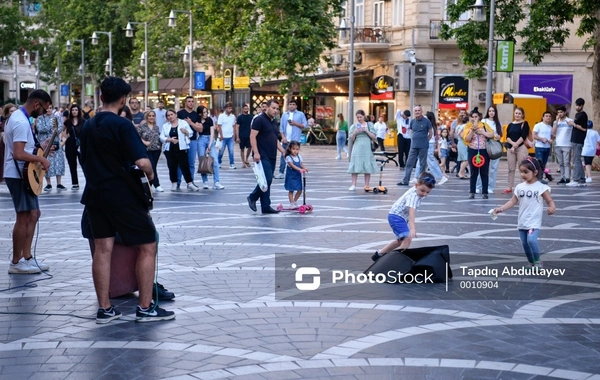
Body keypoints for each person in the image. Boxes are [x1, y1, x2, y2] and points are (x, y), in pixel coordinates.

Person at [80, 76, 174, 323]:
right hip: (122, 196)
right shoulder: (123, 126)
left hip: (95, 195)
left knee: (102, 250)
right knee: (147, 245)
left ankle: (105, 308)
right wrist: (151, 174)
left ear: (101, 97)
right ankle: (145, 307)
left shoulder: (87, 126)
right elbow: (142, 162)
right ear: (123, 100)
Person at [4, 89, 52, 274]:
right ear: (37, 104)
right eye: (44, 108)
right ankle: (16, 262)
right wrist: (42, 160)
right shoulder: (20, 121)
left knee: (33, 214)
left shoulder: (19, 118)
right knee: (23, 216)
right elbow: (18, 153)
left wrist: (40, 152)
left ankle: (27, 257)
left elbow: (24, 149)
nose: (44, 113)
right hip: (18, 174)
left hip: (22, 173)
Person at [493, 158, 556, 268]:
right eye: (521, 171)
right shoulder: (519, 187)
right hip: (522, 221)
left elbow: (549, 200)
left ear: (535, 172)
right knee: (524, 243)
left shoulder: (541, 187)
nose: (523, 174)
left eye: (526, 172)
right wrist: (501, 208)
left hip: (533, 221)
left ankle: (538, 261)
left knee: (531, 240)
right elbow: (513, 201)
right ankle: (531, 262)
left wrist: (552, 207)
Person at [372, 171, 436, 262]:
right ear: (416, 185)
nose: (424, 194)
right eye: (422, 190)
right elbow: (411, 213)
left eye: (428, 192)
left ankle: (379, 254)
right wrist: (412, 228)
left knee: (401, 240)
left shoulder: (418, 190)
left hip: (398, 216)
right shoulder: (413, 196)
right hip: (396, 217)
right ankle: (392, 261)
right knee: (407, 239)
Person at [247, 99, 286, 214]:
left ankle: (265, 206)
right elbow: (252, 136)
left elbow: (275, 140)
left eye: (277, 109)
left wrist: (283, 151)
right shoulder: (259, 120)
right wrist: (256, 152)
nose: (275, 111)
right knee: (267, 179)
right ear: (267, 107)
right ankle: (252, 197)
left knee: (267, 181)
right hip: (262, 154)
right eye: (273, 108)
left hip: (272, 154)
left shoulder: (273, 122)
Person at [160, 109, 199, 192]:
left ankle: (190, 183)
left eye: (171, 114)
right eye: (168, 115)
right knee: (172, 167)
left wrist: (186, 132)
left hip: (182, 148)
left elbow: (191, 133)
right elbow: (161, 137)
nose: (170, 116)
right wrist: (169, 139)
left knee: (185, 166)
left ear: (175, 115)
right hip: (170, 149)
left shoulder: (183, 123)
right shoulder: (165, 126)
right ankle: (174, 183)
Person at [462, 107, 495, 199]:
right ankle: (472, 191)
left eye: (476, 116)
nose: (474, 118)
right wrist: (472, 131)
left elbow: (492, 135)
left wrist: (482, 132)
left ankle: (485, 192)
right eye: (472, 117)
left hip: (484, 150)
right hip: (473, 150)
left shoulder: (484, 125)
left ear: (479, 117)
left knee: (484, 172)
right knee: (473, 172)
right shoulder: (468, 126)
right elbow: (466, 139)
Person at [397, 105, 433, 186]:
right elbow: (411, 131)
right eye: (415, 111)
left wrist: (425, 140)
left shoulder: (427, 121)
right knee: (409, 163)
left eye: (418, 110)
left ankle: (421, 181)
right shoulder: (412, 121)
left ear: (421, 111)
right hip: (413, 146)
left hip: (423, 146)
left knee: (422, 164)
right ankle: (405, 181)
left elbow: (431, 133)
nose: (417, 112)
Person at [35, 106, 66, 191]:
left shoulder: (56, 117)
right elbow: (40, 128)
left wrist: (55, 130)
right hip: (45, 143)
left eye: (50, 108)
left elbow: (59, 128)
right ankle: (48, 184)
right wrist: (50, 128)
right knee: (46, 161)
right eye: (47, 108)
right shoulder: (40, 118)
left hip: (55, 141)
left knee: (58, 162)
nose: (48, 110)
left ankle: (59, 183)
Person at [347, 110, 378, 191]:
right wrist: (355, 133)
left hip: (367, 146)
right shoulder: (354, 126)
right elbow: (352, 139)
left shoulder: (369, 125)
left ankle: (366, 185)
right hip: (357, 146)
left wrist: (366, 130)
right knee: (355, 165)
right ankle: (353, 184)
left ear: (364, 116)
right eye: (357, 117)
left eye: (360, 117)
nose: (359, 119)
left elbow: (374, 137)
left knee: (367, 165)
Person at [276, 99, 307, 179]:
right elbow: (281, 128)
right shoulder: (285, 115)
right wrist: (283, 137)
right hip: (286, 139)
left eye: (293, 104)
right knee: (284, 155)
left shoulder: (300, 114)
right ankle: (281, 172)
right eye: (290, 104)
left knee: (295, 156)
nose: (291, 106)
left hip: (296, 140)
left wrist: (295, 123)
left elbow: (305, 125)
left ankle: (296, 171)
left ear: (296, 106)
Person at [503, 107, 530, 194]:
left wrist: (515, 145)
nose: (517, 115)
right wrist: (512, 144)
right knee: (511, 168)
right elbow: (507, 137)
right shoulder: (510, 124)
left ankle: (523, 186)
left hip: (521, 147)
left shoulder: (524, 123)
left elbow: (523, 136)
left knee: (522, 168)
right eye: (516, 113)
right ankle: (509, 187)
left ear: (522, 115)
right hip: (510, 148)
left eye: (519, 113)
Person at [477, 105, 502, 193]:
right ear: (487, 112)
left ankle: (491, 187)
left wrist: (497, 136)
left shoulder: (498, 123)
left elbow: (499, 136)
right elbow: (479, 132)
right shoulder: (483, 121)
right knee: (482, 166)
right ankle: (478, 186)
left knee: (494, 168)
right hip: (484, 145)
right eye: (490, 111)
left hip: (495, 146)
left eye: (493, 111)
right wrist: (489, 134)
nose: (491, 112)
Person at [177, 96, 202, 183]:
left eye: (192, 101)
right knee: (180, 163)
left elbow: (199, 129)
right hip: (182, 140)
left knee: (191, 163)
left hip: (193, 140)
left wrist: (191, 123)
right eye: (189, 101)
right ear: (185, 103)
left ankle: (190, 182)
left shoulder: (196, 115)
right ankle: (178, 182)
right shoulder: (180, 114)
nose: (191, 103)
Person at [138, 110, 164, 192]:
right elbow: (136, 137)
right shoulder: (142, 127)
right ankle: (157, 184)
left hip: (156, 149)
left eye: (153, 116)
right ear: (146, 117)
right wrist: (144, 142)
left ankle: (150, 184)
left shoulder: (157, 127)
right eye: (150, 116)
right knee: (151, 167)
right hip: (146, 150)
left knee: (154, 167)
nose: (151, 117)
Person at [566, 98, 588, 187]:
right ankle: (582, 179)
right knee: (577, 159)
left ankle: (576, 179)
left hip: (578, 140)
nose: (577, 107)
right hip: (574, 139)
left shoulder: (583, 115)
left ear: (582, 106)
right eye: (576, 105)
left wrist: (573, 124)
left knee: (576, 159)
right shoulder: (577, 114)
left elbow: (584, 128)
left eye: (578, 105)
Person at [62, 104, 84, 190]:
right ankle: (75, 183)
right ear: (70, 111)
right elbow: (61, 130)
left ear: (79, 111)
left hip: (80, 146)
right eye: (73, 110)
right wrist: (65, 136)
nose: (74, 111)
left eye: (76, 110)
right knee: (72, 164)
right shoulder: (68, 122)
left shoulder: (83, 121)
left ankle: (88, 180)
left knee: (83, 163)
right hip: (70, 145)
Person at [551, 105, 573, 185]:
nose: (559, 114)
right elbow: (553, 132)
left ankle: (567, 178)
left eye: (561, 112)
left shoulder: (569, 121)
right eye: (558, 112)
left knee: (566, 162)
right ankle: (562, 177)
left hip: (567, 144)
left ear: (565, 112)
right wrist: (556, 122)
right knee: (561, 163)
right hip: (558, 144)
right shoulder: (555, 122)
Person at [284, 140, 308, 208]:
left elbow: (301, 164)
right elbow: (292, 166)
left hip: (297, 176)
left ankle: (294, 201)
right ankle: (291, 203)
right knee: (291, 190)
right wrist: (300, 169)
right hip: (291, 176)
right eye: (293, 149)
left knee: (300, 190)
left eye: (297, 149)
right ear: (290, 149)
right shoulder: (289, 157)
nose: (295, 151)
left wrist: (304, 168)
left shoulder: (299, 157)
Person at [532, 111, 554, 184]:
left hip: (547, 147)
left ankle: (541, 177)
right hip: (539, 146)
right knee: (539, 163)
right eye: (546, 116)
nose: (548, 117)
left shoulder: (550, 127)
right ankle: (538, 178)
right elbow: (534, 135)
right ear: (543, 117)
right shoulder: (538, 125)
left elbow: (551, 137)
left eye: (549, 116)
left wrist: (551, 140)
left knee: (544, 163)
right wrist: (542, 139)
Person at [217, 102, 237, 169]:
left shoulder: (233, 116)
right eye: (229, 108)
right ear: (225, 108)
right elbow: (219, 126)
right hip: (223, 137)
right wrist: (221, 135)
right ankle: (218, 162)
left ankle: (232, 163)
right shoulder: (221, 116)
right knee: (221, 151)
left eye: (231, 108)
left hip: (230, 136)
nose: (230, 109)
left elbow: (234, 126)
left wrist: (234, 134)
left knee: (231, 151)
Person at [0, 103, 17, 183]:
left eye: (15, 111)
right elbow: (3, 134)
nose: (13, 113)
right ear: (7, 113)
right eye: (11, 111)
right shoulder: (6, 122)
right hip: (7, 145)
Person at [235, 103, 253, 167]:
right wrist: (237, 137)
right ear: (242, 109)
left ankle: (246, 159)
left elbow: (252, 126)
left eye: (247, 108)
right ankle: (243, 162)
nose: (246, 109)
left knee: (250, 147)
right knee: (242, 149)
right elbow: (237, 127)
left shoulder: (251, 117)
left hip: (249, 135)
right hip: (242, 135)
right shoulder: (240, 117)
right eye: (245, 108)